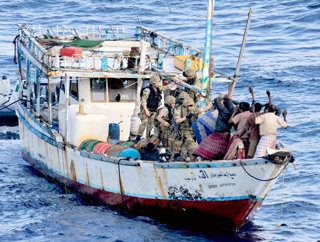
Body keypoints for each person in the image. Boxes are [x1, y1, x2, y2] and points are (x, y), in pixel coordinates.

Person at [193, 83, 234, 160]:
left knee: (205, 146)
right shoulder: (231, 110)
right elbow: (229, 101)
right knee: (220, 149)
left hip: (219, 134)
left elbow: (216, 100)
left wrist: (220, 98)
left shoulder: (223, 111)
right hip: (226, 134)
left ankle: (199, 157)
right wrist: (230, 91)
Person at [135, 74, 176, 142]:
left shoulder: (158, 89)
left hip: (153, 110)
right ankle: (138, 137)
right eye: (156, 82)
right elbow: (143, 101)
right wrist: (146, 111)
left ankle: (147, 139)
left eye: (158, 82)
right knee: (144, 122)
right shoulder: (147, 90)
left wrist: (174, 83)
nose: (158, 83)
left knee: (150, 125)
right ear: (153, 83)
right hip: (146, 109)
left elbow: (166, 87)